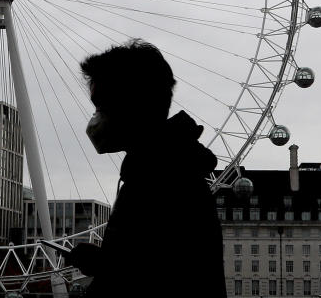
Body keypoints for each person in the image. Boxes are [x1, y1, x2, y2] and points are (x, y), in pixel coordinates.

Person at [65, 40, 226, 297]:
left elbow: (148, 281)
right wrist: (106, 262)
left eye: (100, 106)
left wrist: (105, 265)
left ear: (130, 105)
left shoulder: (158, 182)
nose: (95, 118)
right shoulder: (171, 168)